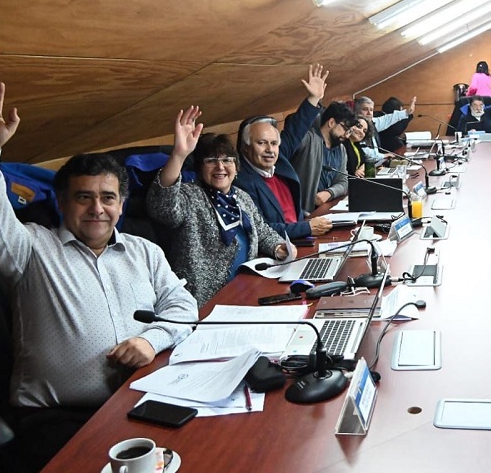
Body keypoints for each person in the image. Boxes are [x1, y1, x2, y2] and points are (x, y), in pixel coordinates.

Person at [0, 77, 198, 471]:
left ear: (121, 203)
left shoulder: (144, 251)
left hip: (140, 399)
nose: (97, 208)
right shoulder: (29, 249)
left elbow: (184, 308)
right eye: (84, 197)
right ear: (63, 203)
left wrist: (152, 340)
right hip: (60, 420)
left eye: (108, 197)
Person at [148, 108, 293, 306]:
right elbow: (163, 206)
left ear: (236, 166)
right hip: (206, 300)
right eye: (211, 161)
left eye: (227, 160)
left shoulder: (240, 196)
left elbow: (262, 231)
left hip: (247, 286)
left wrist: (278, 247)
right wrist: (179, 155)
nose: (221, 167)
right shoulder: (191, 195)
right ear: (199, 168)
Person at [235, 64, 333, 240]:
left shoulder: (278, 158)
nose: (269, 150)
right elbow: (262, 230)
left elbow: (295, 130)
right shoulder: (241, 181)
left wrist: (314, 98)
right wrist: (306, 228)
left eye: (273, 143)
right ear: (245, 147)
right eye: (261, 143)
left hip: (303, 237)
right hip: (279, 249)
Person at [289, 101, 354, 212]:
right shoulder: (308, 139)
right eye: (345, 129)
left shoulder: (341, 149)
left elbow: (343, 182)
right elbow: (294, 134)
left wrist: (329, 193)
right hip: (305, 212)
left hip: (329, 206)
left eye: (350, 131)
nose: (347, 135)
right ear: (331, 122)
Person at [353, 95, 416, 164]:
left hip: (376, 163)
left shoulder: (373, 122)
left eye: (371, 110)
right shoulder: (357, 129)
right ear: (357, 112)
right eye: (365, 109)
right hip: (365, 167)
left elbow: (388, 119)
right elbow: (369, 155)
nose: (369, 113)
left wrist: (406, 112)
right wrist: (383, 155)